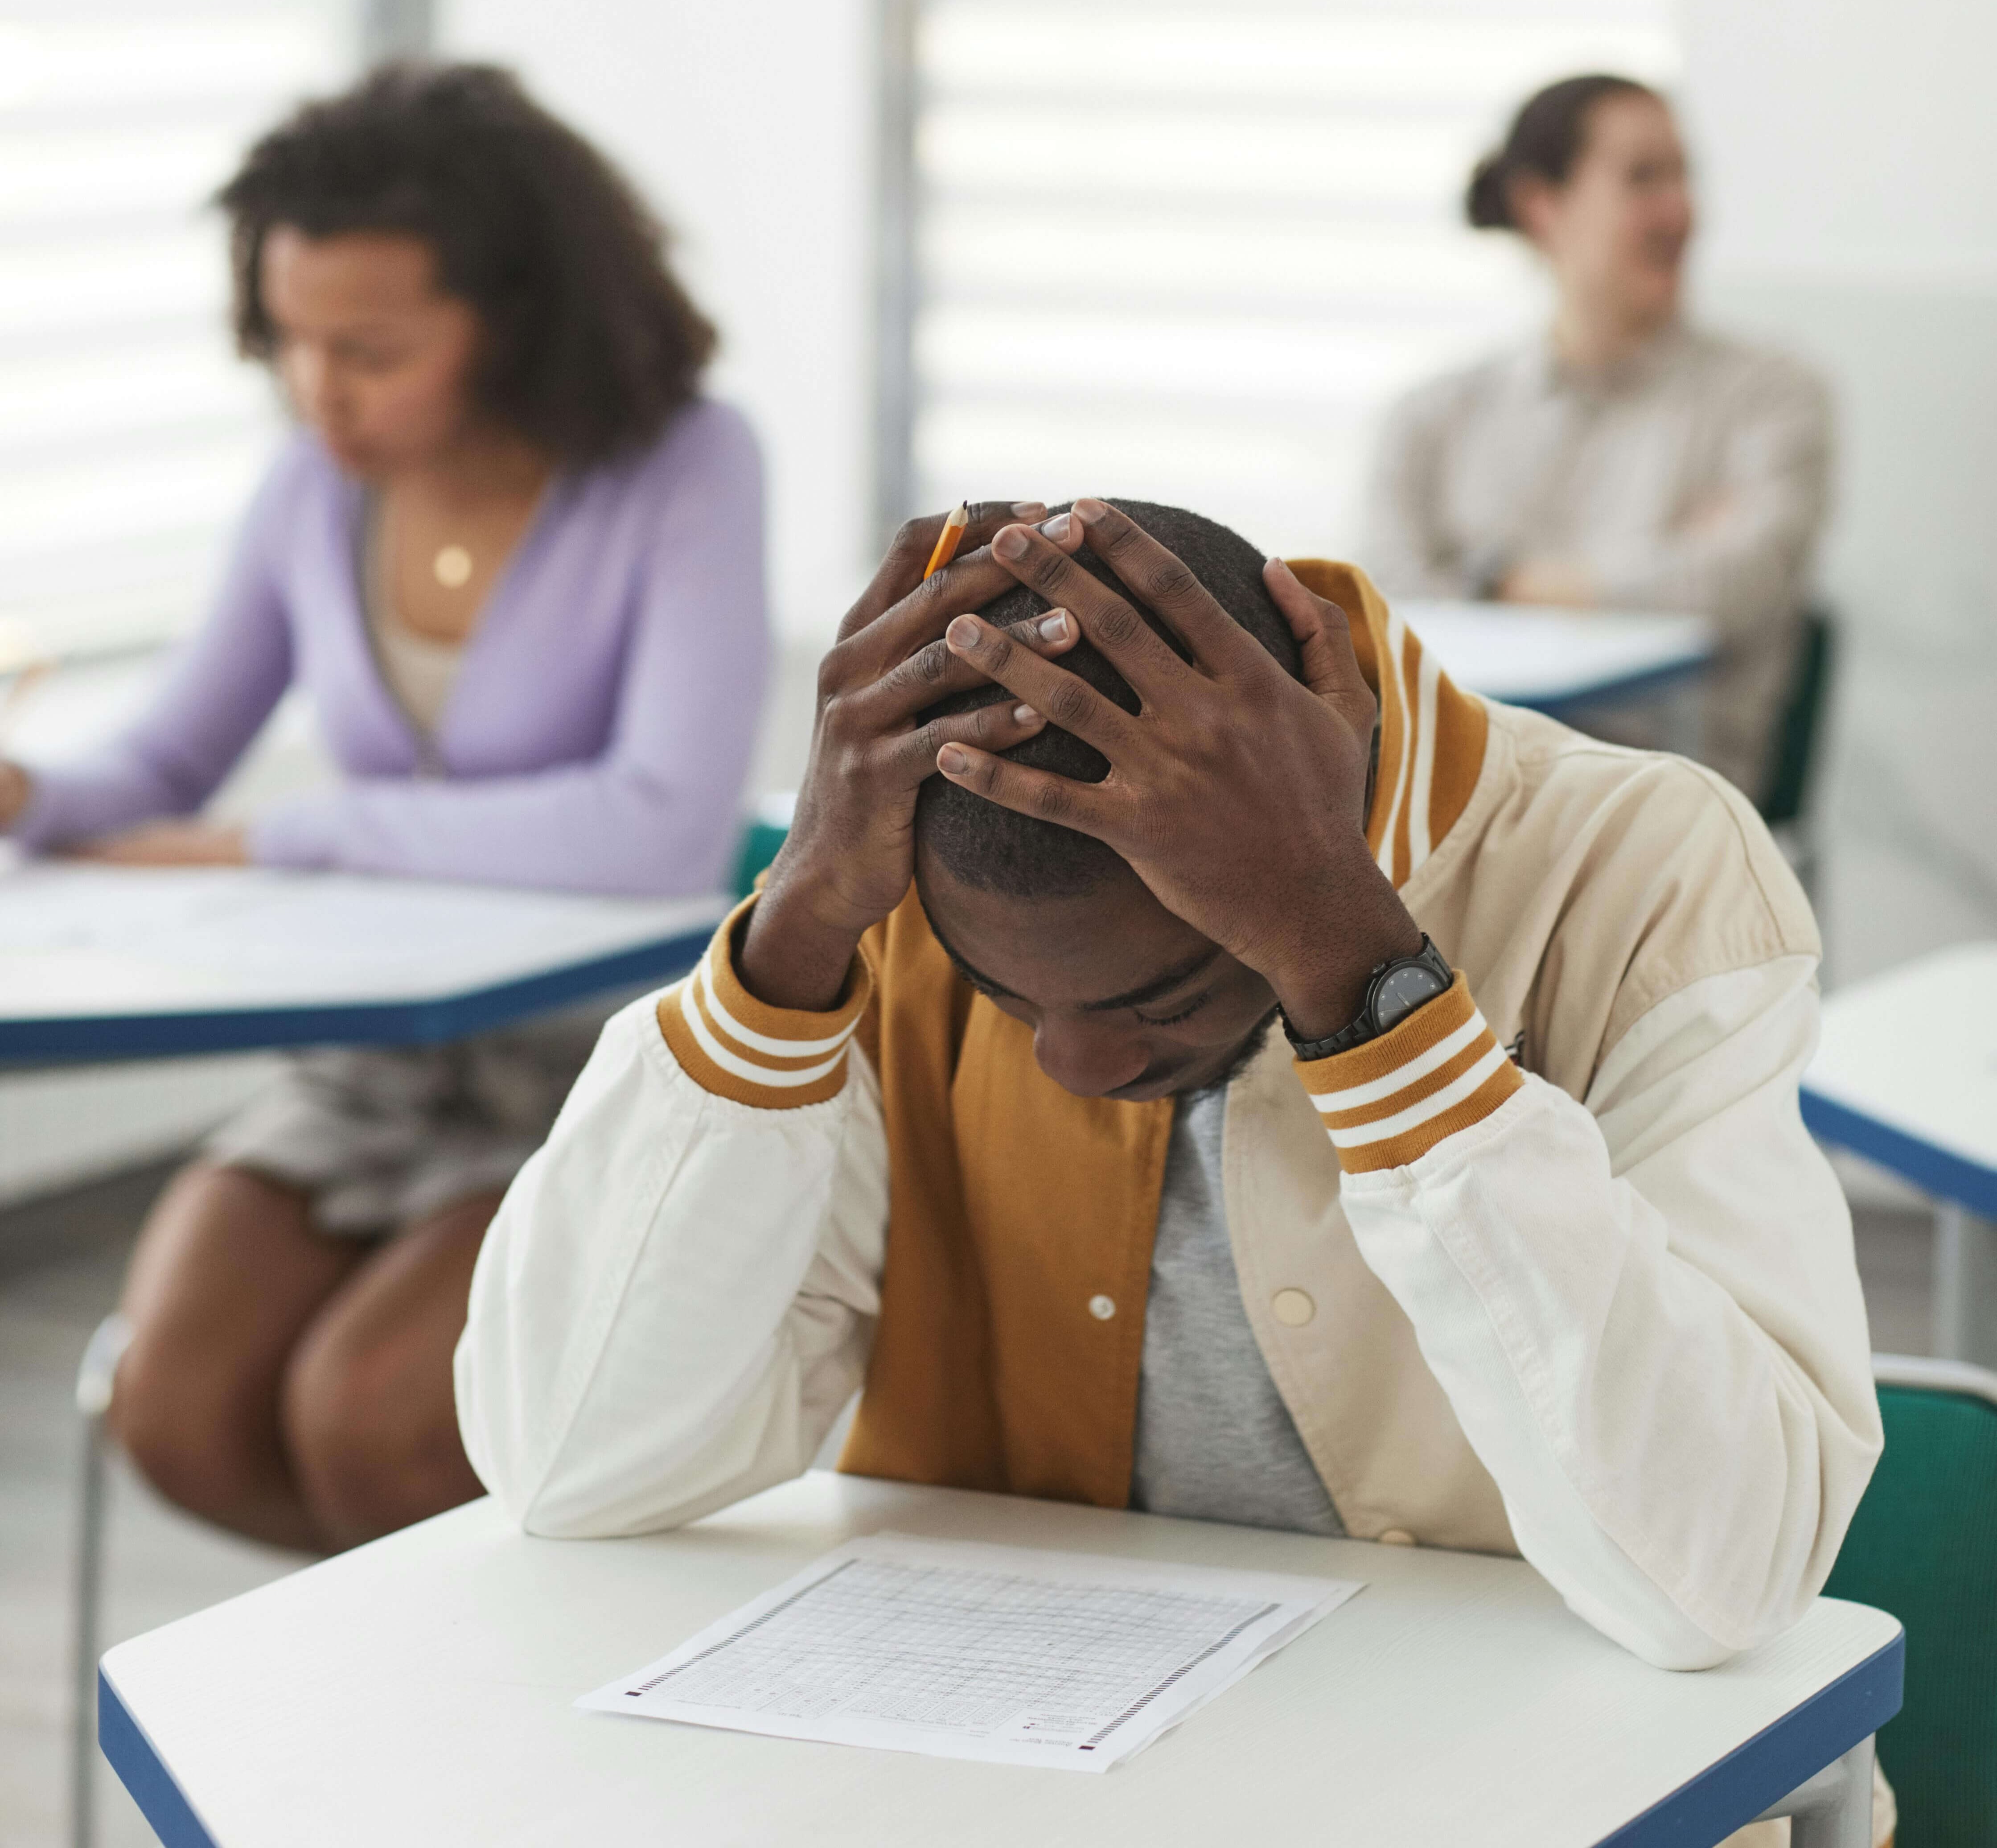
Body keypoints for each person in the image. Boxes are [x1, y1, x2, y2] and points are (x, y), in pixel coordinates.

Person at [457, 497, 1882, 1687]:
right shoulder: (887, 877)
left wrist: (1358, 968)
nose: (1074, 1065)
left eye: (1158, 1004)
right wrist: (792, 937)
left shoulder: (1645, 866)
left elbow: (1727, 1579)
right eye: (1009, 1000)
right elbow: (575, 1468)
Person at [0, 65, 768, 1552]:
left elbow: (658, 826)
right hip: (383, 1068)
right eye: (288, 339)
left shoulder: (685, 462)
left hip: (596, 1072)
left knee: (372, 1416)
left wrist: (282, 834)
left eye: (369, 347)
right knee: (177, 1408)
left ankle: (455, 1706)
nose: (316, 389)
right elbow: (157, 774)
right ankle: (413, 1684)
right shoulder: (316, 484)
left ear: (515, 318)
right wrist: (29, 790)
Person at [1362, 74, 1833, 799]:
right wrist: (1647, 568)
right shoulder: (1432, 416)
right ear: (1540, 206)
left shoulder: (1771, 397)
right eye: (1644, 177)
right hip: (1458, 788)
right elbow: (1382, 610)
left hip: (1667, 803)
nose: (1682, 210)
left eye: (1684, 176)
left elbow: (1732, 586)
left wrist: (1493, 582)